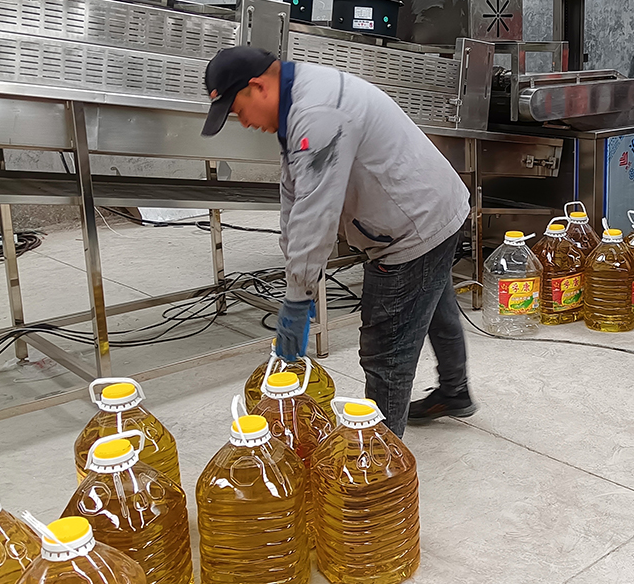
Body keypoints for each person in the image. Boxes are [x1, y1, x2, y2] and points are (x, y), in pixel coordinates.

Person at [201, 46, 475, 435]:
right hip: (436, 206)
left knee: (386, 352)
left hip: (411, 226)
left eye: (237, 110)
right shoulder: (302, 93)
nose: (243, 122)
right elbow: (294, 199)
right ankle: (455, 390)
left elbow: (316, 214)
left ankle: (376, 464)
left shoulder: (316, 115)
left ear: (258, 87)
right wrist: (300, 284)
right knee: (434, 304)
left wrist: (296, 300)